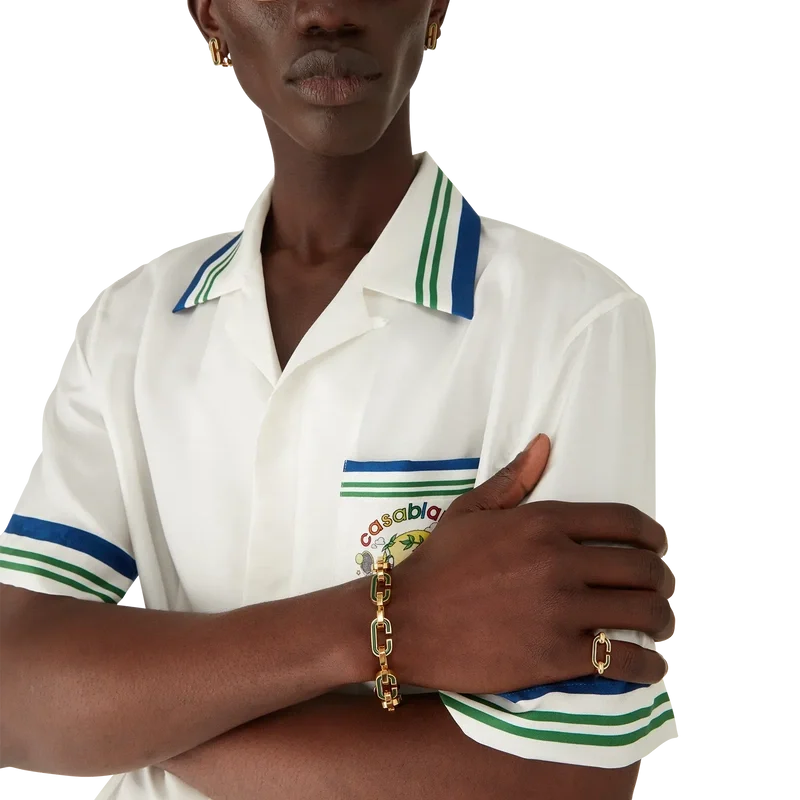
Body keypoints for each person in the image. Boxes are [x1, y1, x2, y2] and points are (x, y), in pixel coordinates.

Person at [0, 1, 678, 798]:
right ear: (211, 15)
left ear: (433, 6)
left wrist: (131, 713)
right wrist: (389, 620)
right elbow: (16, 697)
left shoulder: (573, 321)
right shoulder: (127, 325)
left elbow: (565, 776)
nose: (327, 12)